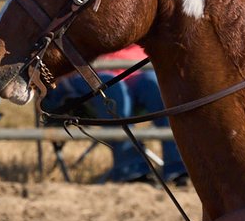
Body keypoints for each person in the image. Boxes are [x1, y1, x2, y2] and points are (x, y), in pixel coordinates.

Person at [39, 44, 187, 184]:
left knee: (155, 84)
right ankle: (130, 167)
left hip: (134, 68)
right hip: (86, 73)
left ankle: (178, 165)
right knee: (113, 88)